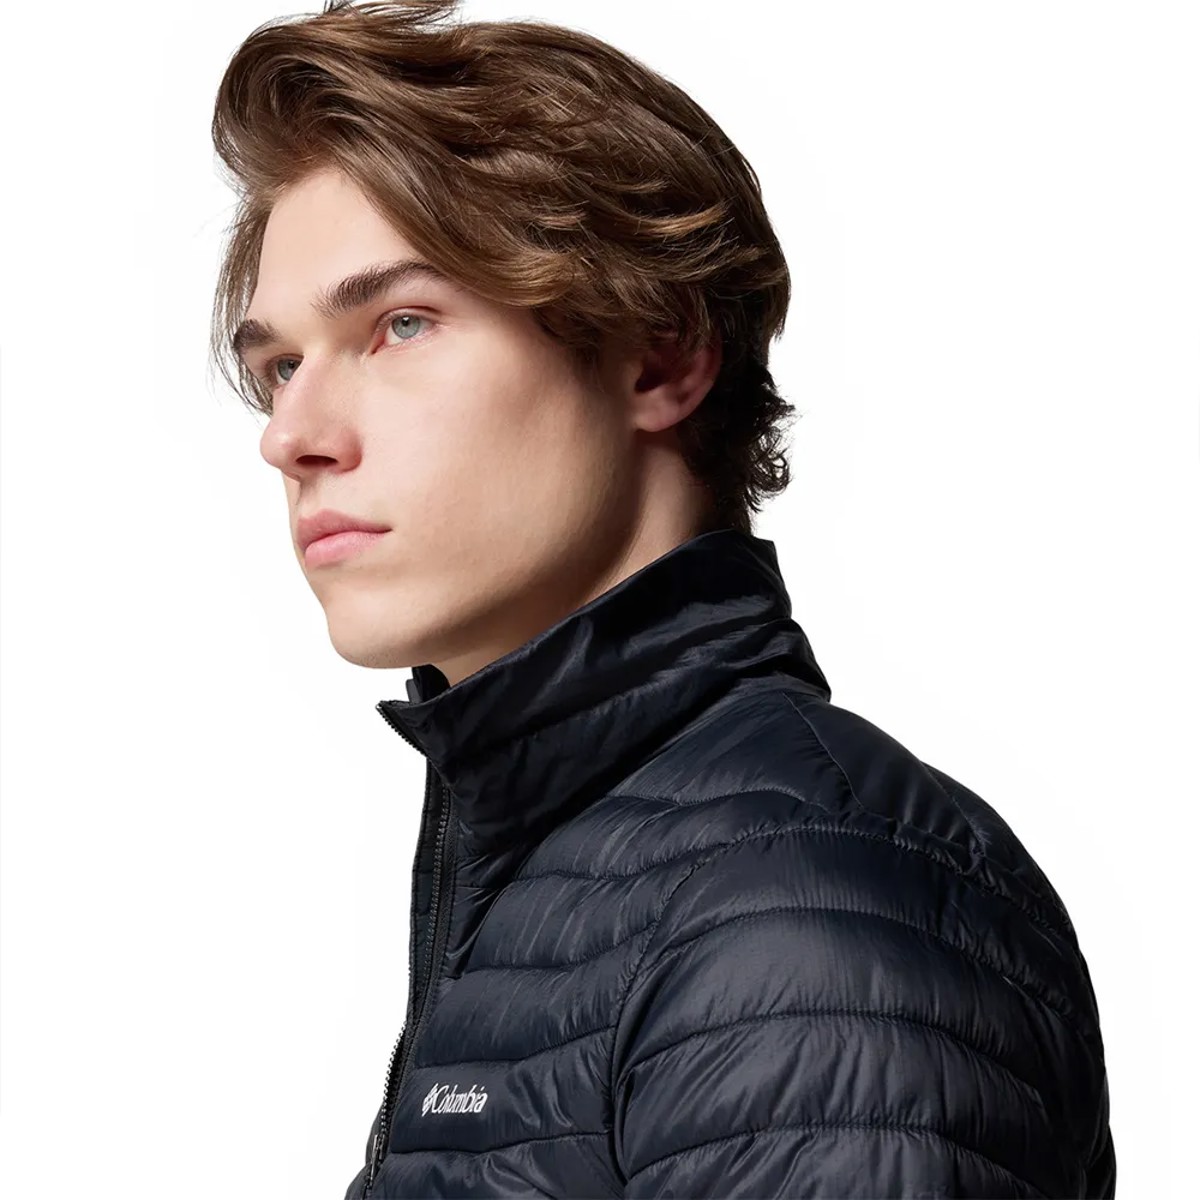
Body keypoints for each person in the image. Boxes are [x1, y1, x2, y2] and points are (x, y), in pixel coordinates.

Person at [208, 2, 1116, 1196]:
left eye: (401, 325)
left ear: (658, 356)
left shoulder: (798, 914)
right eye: (281, 365)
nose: (291, 435)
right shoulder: (579, 870)